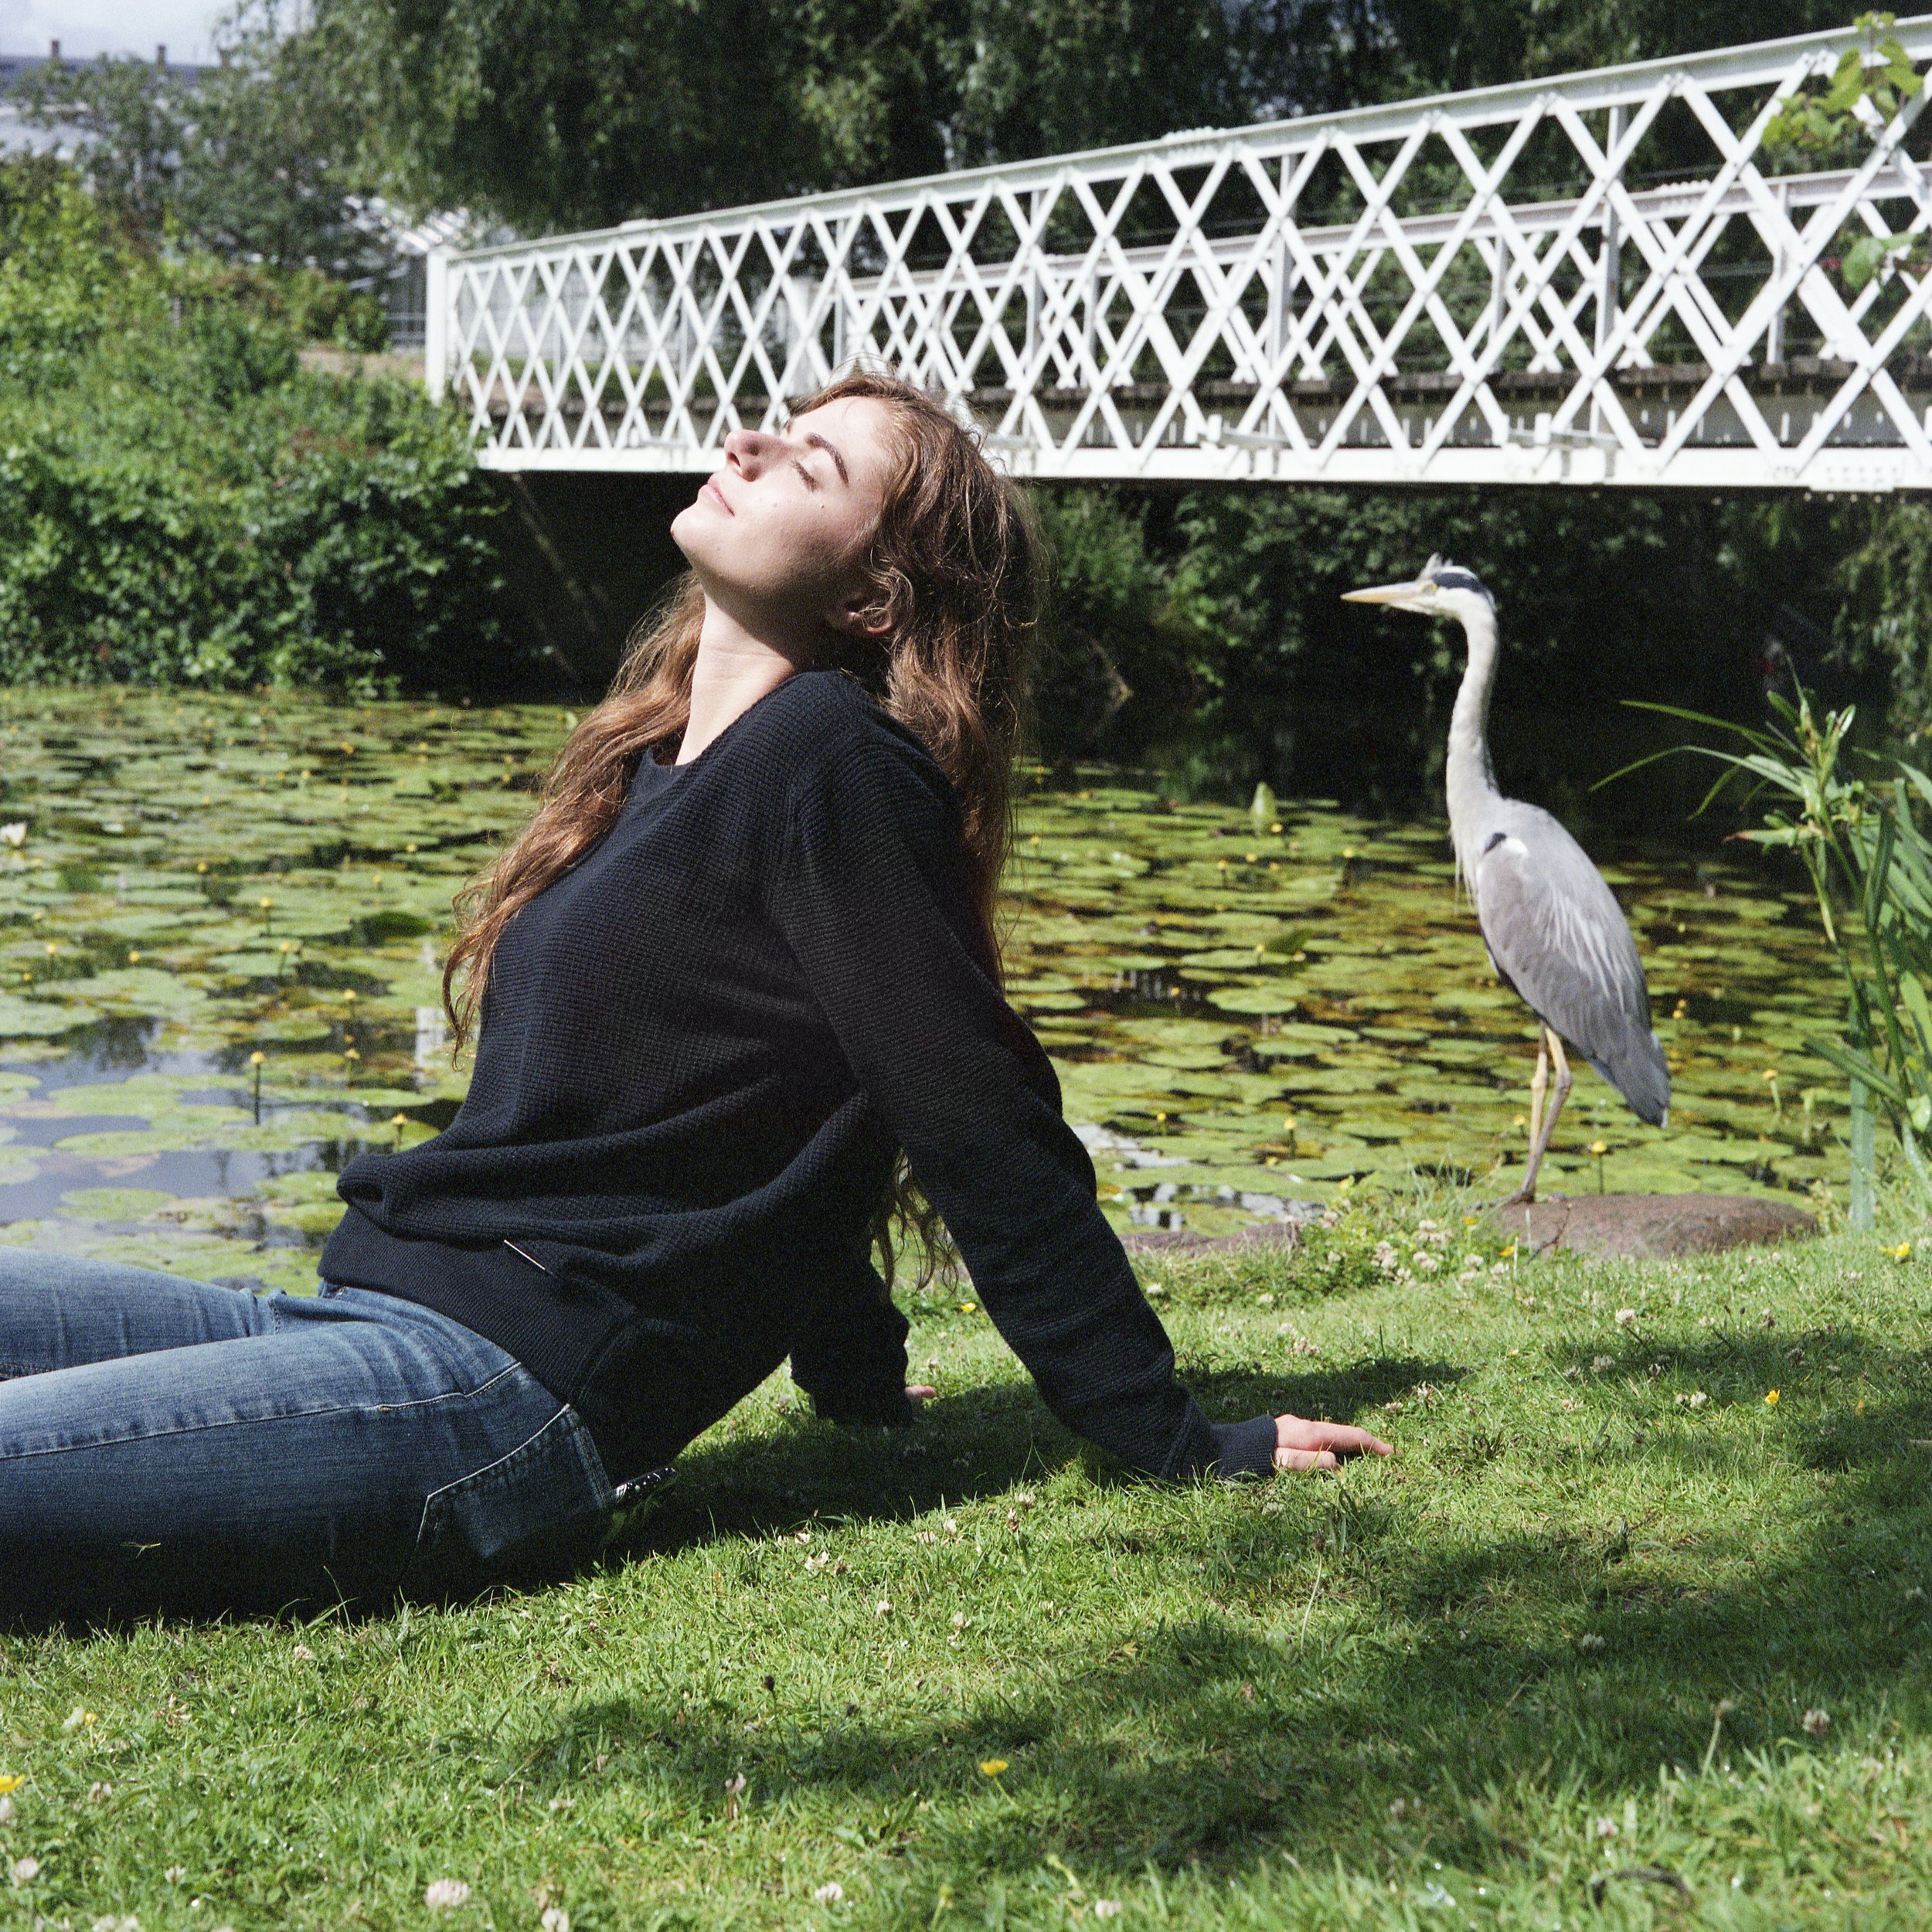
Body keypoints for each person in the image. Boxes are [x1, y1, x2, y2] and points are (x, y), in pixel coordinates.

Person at [0, 371, 1389, 1621]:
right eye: (782, 428)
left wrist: (1163, 1433)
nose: (751, 442)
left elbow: (968, 1110)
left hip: (493, 1398)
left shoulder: (836, 758)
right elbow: (772, 1099)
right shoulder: (661, 773)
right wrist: (850, 1366)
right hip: (359, 1317)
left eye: (812, 464)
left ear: (870, 601)